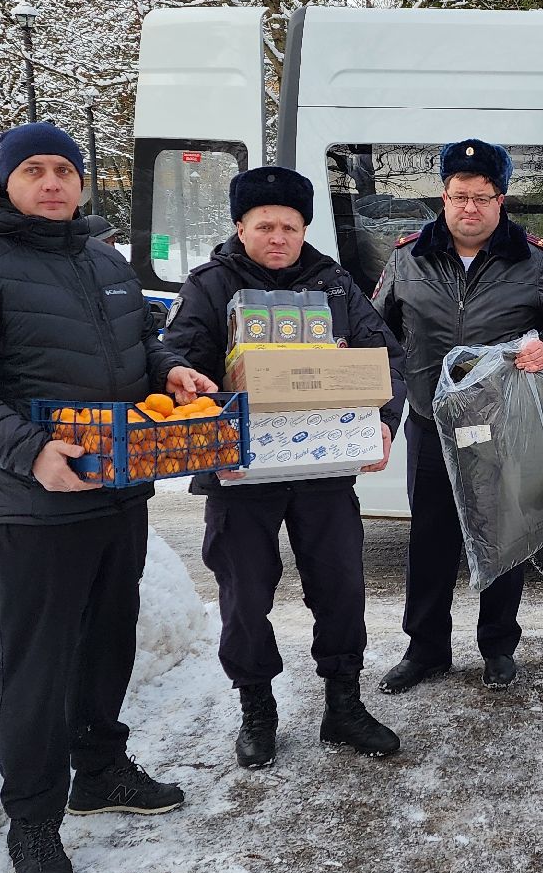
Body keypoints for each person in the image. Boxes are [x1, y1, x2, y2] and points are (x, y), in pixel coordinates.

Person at [0, 122, 214, 873]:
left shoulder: (103, 260)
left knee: (108, 643)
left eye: (64, 171)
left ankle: (100, 768)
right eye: (34, 170)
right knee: (37, 667)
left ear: (82, 184)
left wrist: (174, 372)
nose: (52, 183)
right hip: (32, 507)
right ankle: (34, 818)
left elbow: (144, 346)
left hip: (118, 489)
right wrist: (29, 450)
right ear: (6, 182)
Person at [162, 166, 406, 767]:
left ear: (305, 229)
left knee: (342, 586)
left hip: (324, 468)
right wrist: (195, 383)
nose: (278, 237)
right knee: (244, 593)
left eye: (289, 227)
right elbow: (171, 358)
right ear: (240, 227)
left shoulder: (335, 286)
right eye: (264, 225)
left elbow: (388, 360)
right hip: (241, 472)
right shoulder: (210, 286)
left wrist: (383, 420)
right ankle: (256, 708)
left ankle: (343, 704)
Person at [371, 138, 543, 694]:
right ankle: (425, 650)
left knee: (503, 537)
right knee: (431, 543)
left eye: (481, 197)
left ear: (501, 200)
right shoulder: (407, 258)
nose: (469, 208)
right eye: (458, 196)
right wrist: (379, 409)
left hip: (500, 429)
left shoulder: (534, 260)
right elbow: (376, 334)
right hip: (429, 423)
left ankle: (497, 646)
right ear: (443, 197)